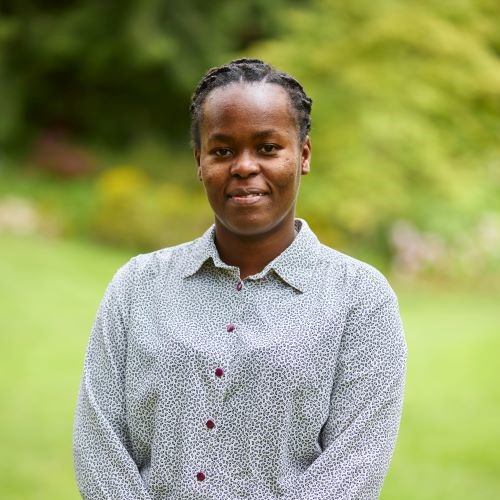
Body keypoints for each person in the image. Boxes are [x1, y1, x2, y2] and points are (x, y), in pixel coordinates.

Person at [73, 58, 407, 500]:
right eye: (223, 150)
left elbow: (353, 467)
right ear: (199, 160)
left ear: (303, 155)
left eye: (268, 148)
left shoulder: (360, 300)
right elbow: (99, 446)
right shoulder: (137, 286)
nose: (244, 166)